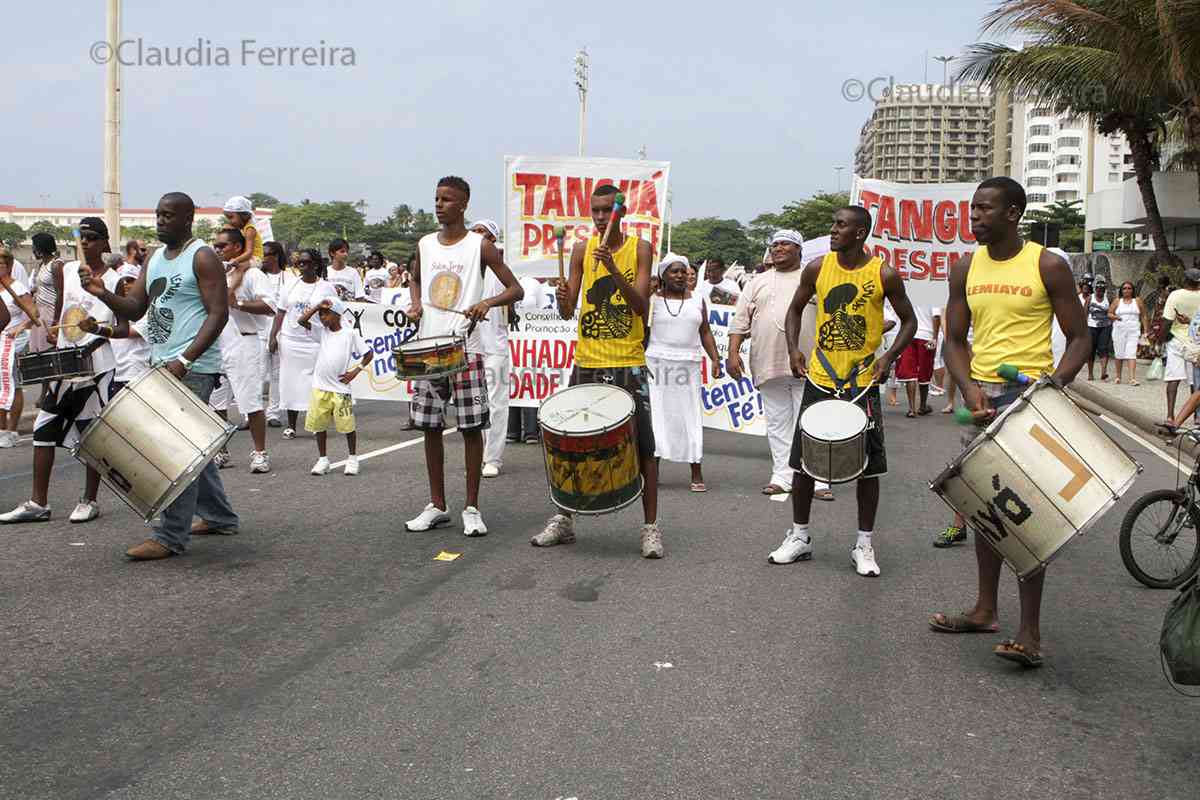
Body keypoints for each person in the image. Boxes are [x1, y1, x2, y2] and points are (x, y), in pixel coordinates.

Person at [928, 176, 1089, 668]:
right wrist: (969, 387)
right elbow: (954, 340)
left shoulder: (1047, 264)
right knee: (983, 509)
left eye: (984, 210)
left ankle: (1030, 632)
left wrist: (1052, 385)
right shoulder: (965, 266)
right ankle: (984, 610)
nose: (974, 218)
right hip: (981, 399)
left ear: (1014, 212)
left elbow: (1080, 338)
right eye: (972, 209)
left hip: (1029, 399)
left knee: (1027, 517)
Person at [85, 193, 239, 560]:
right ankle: (219, 516)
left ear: (188, 219)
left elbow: (219, 315)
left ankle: (170, 536)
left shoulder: (202, 257)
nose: (160, 221)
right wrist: (102, 293)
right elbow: (136, 307)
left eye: (168, 215)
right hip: (162, 364)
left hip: (192, 367)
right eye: (157, 215)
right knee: (191, 447)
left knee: (174, 451)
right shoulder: (154, 258)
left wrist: (186, 358)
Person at [775, 207, 917, 576]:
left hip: (862, 382)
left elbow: (910, 321)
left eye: (841, 225)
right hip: (821, 376)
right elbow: (793, 311)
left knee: (868, 467)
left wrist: (888, 358)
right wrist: (794, 348)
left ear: (860, 233)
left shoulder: (883, 273)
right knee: (804, 462)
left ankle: (864, 544)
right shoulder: (818, 268)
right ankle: (800, 536)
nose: (833, 230)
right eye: (834, 224)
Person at [533, 183, 661, 557]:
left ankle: (650, 528)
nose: (601, 217)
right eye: (596, 211)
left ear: (621, 212)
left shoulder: (640, 248)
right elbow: (568, 311)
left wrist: (610, 268)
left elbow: (639, 305)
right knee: (570, 444)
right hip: (587, 361)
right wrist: (562, 299)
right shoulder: (578, 250)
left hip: (627, 362)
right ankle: (564, 520)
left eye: (608, 210)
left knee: (644, 449)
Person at [404, 176, 522, 537]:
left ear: (464, 204)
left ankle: (472, 507)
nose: (440, 204)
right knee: (430, 428)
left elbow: (514, 288)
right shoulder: (425, 244)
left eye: (448, 199)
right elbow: (416, 278)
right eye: (437, 198)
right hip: (428, 349)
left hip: (464, 347)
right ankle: (437, 505)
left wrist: (486, 302)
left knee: (471, 429)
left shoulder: (480, 247)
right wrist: (414, 303)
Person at [0, 217, 122, 525]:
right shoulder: (66, 270)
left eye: (93, 237)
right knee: (43, 429)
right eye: (82, 237)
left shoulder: (115, 279)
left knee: (90, 433)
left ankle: (89, 499)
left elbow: (123, 326)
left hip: (95, 365)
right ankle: (38, 502)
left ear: (106, 242)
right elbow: (60, 307)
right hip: (64, 362)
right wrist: (56, 333)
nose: (87, 242)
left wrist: (99, 329)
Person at [728, 230, 832, 501]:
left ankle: (818, 479)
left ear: (799, 249)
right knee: (776, 422)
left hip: (809, 363)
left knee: (811, 422)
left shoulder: (814, 279)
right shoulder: (756, 281)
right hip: (767, 361)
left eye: (785, 244)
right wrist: (732, 353)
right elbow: (740, 320)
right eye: (774, 244)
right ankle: (782, 476)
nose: (778, 248)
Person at [646, 253, 722, 491]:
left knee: (689, 417)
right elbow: (643, 335)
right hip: (657, 365)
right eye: (673, 271)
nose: (679, 275)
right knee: (658, 418)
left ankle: (696, 471)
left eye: (683, 271)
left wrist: (715, 359)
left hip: (688, 365)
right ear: (663, 275)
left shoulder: (698, 300)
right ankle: (652, 471)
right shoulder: (652, 301)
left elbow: (706, 332)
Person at [209, 227, 275, 473]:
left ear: (237, 247)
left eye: (222, 246)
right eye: (215, 246)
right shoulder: (215, 274)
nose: (217, 250)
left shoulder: (253, 274)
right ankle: (220, 451)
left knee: (251, 402)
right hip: (217, 344)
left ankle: (260, 453)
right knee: (216, 404)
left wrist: (241, 304)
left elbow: (270, 306)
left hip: (244, 343)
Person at [296, 298, 372, 475]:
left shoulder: (350, 334)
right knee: (319, 425)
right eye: (321, 315)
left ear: (337, 315)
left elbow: (368, 354)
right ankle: (323, 459)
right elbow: (301, 321)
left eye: (326, 314)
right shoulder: (322, 332)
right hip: (319, 387)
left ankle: (352, 458)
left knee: (347, 426)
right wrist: (317, 306)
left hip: (340, 388)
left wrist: (355, 372)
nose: (322, 318)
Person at [270, 249, 338, 438]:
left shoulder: (326, 288)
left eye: (305, 263)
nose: (301, 266)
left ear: (315, 265)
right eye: (299, 263)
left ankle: (316, 424)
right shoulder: (290, 285)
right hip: (290, 341)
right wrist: (273, 337)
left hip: (315, 342)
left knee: (314, 385)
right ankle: (291, 426)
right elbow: (281, 312)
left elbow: (335, 314)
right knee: (290, 383)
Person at [469, 219, 512, 478]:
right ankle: (477, 454)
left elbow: (516, 292)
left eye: (481, 232)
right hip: (470, 346)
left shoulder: (500, 268)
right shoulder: (464, 270)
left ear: (492, 240)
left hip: (495, 346)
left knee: (496, 404)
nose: (475, 236)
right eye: (472, 231)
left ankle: (492, 458)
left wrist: (488, 303)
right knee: (475, 403)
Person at [0, 249, 45, 447]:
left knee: (11, 383)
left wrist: (20, 327)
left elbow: (33, 313)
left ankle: (11, 429)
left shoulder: (17, 287)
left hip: (12, 341)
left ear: (7, 265)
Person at [87, 276, 151, 393]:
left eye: (131, 281)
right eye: (123, 282)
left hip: (133, 372)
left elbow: (127, 332)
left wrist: (97, 329)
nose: (126, 284)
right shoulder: (111, 311)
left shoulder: (148, 312)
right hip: (112, 371)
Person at [1162, 269, 1200, 424]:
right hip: (1196, 342)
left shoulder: (1175, 295)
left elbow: (1167, 321)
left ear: (1184, 280)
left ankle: (1170, 416)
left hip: (1177, 341)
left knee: (1173, 378)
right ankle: (1197, 416)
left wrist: (1161, 340)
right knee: (1194, 382)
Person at [260, 241, 288, 427]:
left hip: (281, 331)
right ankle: (251, 415)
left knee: (278, 374)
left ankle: (273, 413)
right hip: (259, 330)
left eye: (266, 254)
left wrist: (276, 334)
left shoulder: (288, 277)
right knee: (259, 374)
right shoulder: (256, 276)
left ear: (276, 256)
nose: (263, 258)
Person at [896, 304, 940, 417]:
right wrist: (935, 338)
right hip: (926, 335)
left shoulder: (907, 292)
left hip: (908, 334)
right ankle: (922, 406)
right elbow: (936, 316)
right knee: (925, 371)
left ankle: (911, 409)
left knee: (910, 372)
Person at [27, 233, 63, 359]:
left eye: (34, 247)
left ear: (41, 249)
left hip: (51, 311)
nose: (33, 251)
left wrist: (56, 319)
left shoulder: (56, 265)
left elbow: (60, 293)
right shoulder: (42, 265)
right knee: (36, 350)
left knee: (48, 349)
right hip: (39, 312)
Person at [1109, 281, 1146, 385]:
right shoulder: (1117, 301)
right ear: (1121, 290)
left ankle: (1132, 378)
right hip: (1119, 330)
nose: (1127, 290)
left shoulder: (1137, 301)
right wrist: (1116, 317)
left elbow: (1143, 315)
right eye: (1124, 288)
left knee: (1131, 353)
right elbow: (1109, 313)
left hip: (1133, 331)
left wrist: (1146, 331)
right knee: (1119, 354)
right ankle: (1118, 376)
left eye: (1129, 288)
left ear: (1133, 290)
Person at [222, 196, 263, 267]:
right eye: (227, 218)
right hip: (248, 258)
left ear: (243, 216)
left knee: (240, 268)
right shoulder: (242, 229)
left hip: (255, 259)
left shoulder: (249, 229)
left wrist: (236, 260)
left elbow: (249, 252)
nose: (229, 221)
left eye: (231, 217)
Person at [1086, 277, 1114, 381]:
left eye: (1102, 290)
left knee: (1103, 348)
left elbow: (1111, 311)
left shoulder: (1108, 299)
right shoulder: (1090, 298)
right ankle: (1090, 373)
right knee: (1091, 350)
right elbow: (1085, 312)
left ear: (1104, 290)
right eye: (1098, 289)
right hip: (1091, 326)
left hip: (1105, 326)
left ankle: (1103, 372)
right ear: (1095, 289)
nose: (1100, 291)